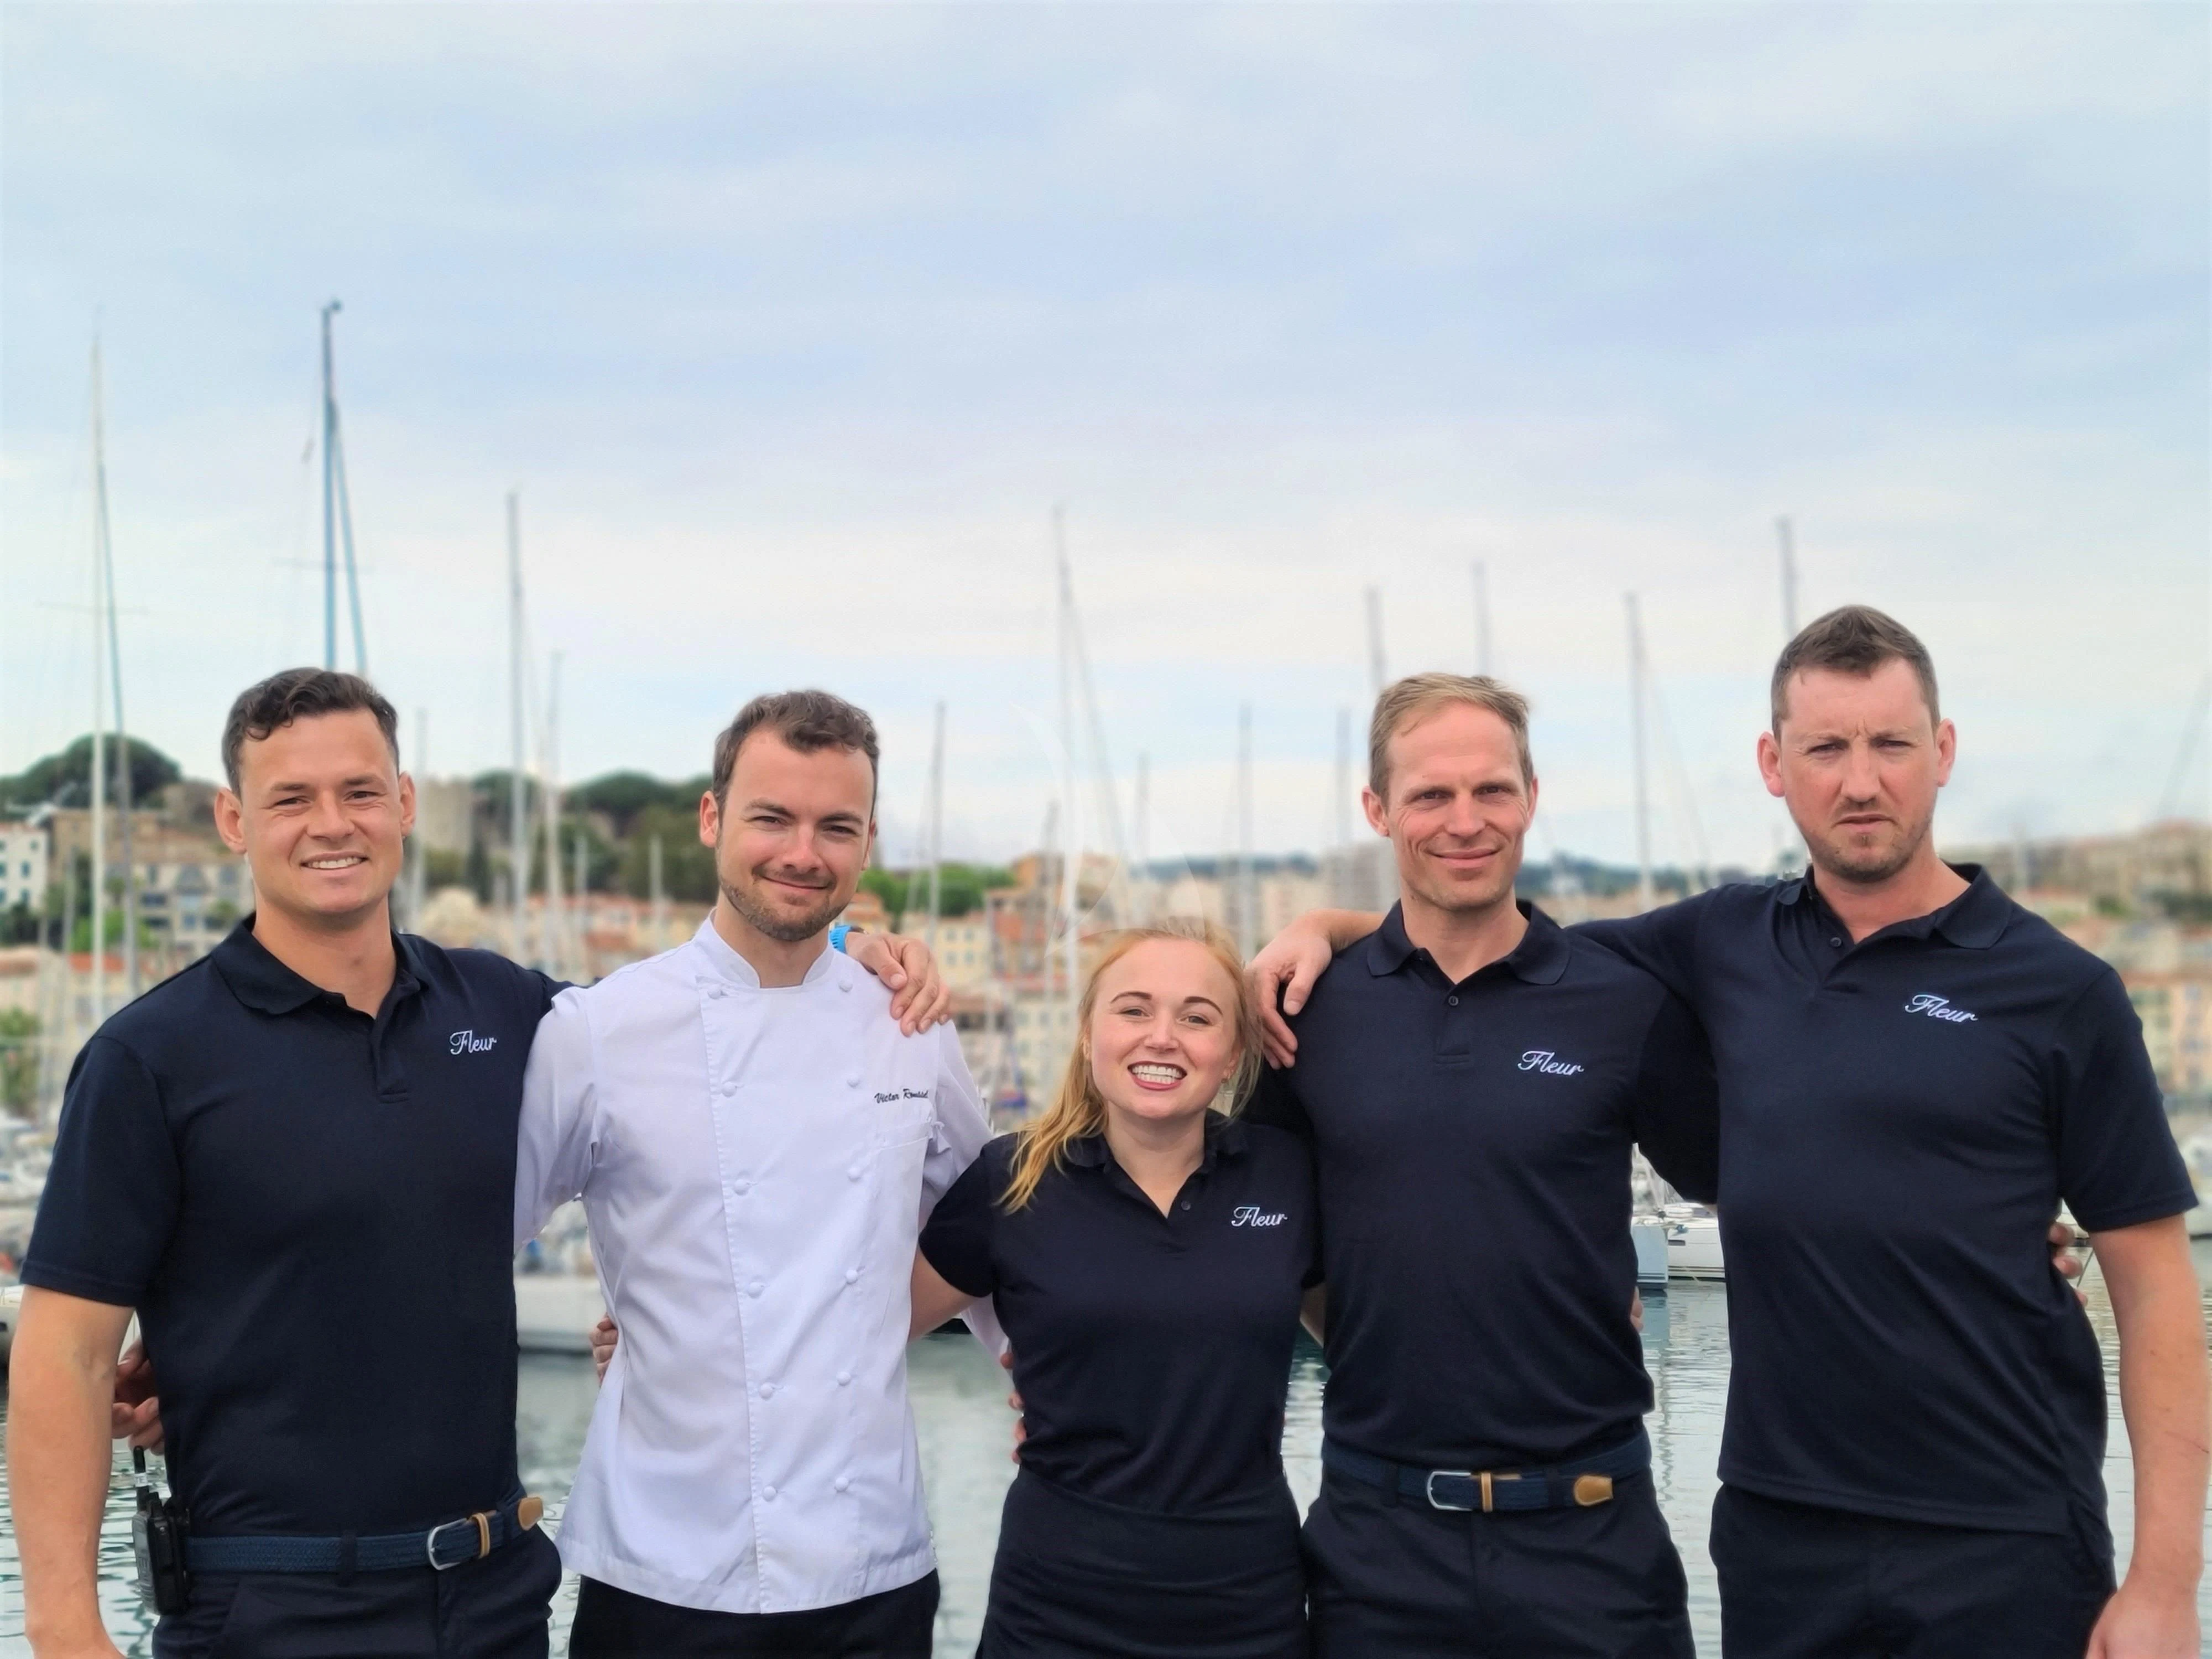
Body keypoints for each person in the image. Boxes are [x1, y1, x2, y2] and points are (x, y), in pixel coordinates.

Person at [1254, 609, 2210, 1659]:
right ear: (1773, 763)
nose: (1860, 781)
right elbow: (1478, 941)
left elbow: (2159, 1289)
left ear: (1941, 753)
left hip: (2003, 1528)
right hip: (1777, 1533)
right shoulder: (1718, 941)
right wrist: (1327, 929)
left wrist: (2165, 1580)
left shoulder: (2061, 992)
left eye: (1890, 744)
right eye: (1825, 749)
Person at [13, 669, 947, 1659]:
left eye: (361, 792)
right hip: (270, 1603)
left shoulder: (506, 1012)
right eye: (291, 798)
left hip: (493, 1598)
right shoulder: (150, 1056)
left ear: (404, 805)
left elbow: (707, 1019)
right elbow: (64, 1353)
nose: (332, 823)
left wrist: (851, 945)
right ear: (235, 820)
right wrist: (68, 1626)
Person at [1238, 672, 1722, 1657]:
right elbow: (1248, 1236)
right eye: (1430, 795)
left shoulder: (1622, 1005)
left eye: (1492, 790)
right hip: (1376, 1545)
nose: (1466, 821)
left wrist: (1986, 1230)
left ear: (1532, 798)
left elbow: (1766, 1183)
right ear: (1378, 810)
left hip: (1594, 1541)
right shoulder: (1310, 1016)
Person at [514, 688, 995, 1657]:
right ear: (711, 819)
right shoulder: (598, 1032)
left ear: (868, 845)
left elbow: (995, 1231)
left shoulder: (910, 1024)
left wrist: (1049, 1394)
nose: (802, 852)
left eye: (836, 827)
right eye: (772, 817)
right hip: (659, 1567)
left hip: (871, 1567)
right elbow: (464, 1246)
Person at [911, 919, 1319, 1658]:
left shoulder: (1288, 1175)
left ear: (1232, 1054)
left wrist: (1328, 927)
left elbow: (1371, 1345)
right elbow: (856, 1334)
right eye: (1133, 1009)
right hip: (1057, 1603)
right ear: (1087, 1033)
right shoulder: (1012, 1180)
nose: (1162, 1037)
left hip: (1248, 1599)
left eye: (1198, 1018)